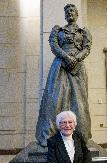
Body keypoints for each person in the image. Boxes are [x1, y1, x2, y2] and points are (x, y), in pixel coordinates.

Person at [36, 4, 92, 146]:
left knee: (79, 102)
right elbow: (54, 46)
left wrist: (76, 58)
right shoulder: (58, 30)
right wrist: (67, 57)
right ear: (65, 15)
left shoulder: (83, 32)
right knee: (55, 100)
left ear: (77, 14)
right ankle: (49, 135)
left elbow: (87, 48)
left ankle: (80, 136)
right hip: (60, 67)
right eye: (67, 11)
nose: (70, 13)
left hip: (77, 69)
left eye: (72, 11)